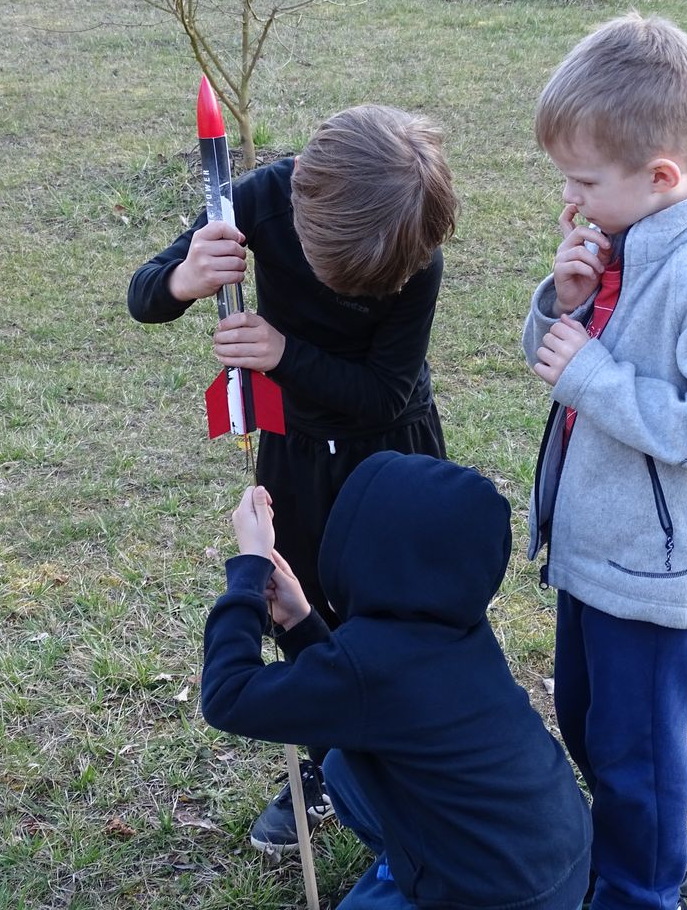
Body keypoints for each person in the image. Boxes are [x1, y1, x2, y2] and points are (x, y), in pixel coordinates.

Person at [128, 105, 457, 852]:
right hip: (295, 448)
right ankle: (326, 762)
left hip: (390, 451)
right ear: (304, 191)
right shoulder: (258, 201)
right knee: (296, 592)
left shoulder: (415, 250)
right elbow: (143, 295)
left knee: (398, 604)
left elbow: (383, 392)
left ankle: (411, 757)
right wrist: (183, 278)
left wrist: (281, 355)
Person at [523, 13, 687, 910]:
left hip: (652, 564)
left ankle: (640, 894)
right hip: (595, 547)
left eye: (583, 180)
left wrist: (595, 376)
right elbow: (565, 362)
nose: (570, 199)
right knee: (590, 727)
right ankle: (613, 863)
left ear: (661, 176)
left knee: (637, 753)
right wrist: (563, 301)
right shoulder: (629, 237)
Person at [201, 453, 593, 910]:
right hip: (557, 857)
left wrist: (248, 572)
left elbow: (228, 694)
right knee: (343, 770)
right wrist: (300, 621)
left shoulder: (372, 662)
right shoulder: (456, 629)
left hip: (497, 897)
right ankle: (415, 860)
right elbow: (354, 695)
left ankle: (425, 882)